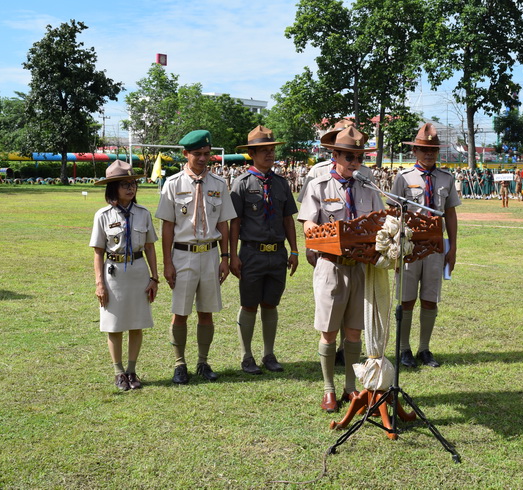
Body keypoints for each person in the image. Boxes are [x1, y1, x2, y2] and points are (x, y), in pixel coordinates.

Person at [298, 126, 384, 413]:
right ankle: (328, 390)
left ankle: (350, 388)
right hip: (331, 266)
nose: (355, 163)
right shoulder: (318, 185)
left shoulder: (368, 186)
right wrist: (324, 236)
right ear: (334, 155)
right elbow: (308, 224)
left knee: (354, 331)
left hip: (360, 267)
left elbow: (380, 221)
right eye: (349, 156)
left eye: (359, 157)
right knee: (328, 331)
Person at [155, 130, 236, 385]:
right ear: (185, 154)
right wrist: (167, 263)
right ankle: (179, 364)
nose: (203, 158)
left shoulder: (219, 184)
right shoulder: (173, 184)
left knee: (206, 312)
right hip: (183, 255)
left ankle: (203, 362)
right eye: (197, 153)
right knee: (180, 312)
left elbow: (223, 223)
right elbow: (167, 226)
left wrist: (225, 257)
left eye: (206, 153)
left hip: (210, 254)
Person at [230, 126, 299, 374]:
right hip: (252, 253)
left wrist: (294, 251)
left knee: (270, 304)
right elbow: (234, 222)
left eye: (272, 150)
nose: (270, 154)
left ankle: (269, 354)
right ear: (251, 154)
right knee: (249, 304)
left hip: (277, 254)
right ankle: (246, 356)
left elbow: (288, 219)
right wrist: (233, 255)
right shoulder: (241, 184)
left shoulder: (281, 183)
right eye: (264, 150)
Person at [390, 123, 460, 369]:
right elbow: (392, 213)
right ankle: (404, 349)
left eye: (433, 150)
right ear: (415, 151)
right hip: (409, 247)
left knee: (430, 299)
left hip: (435, 247)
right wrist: (395, 247)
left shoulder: (446, 178)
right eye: (424, 150)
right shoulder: (403, 178)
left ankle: (424, 349)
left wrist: (453, 247)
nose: (429, 154)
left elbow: (450, 213)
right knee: (407, 299)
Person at [89, 160, 159, 391]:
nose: (130, 188)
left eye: (133, 183)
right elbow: (98, 252)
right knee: (114, 324)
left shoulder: (143, 213)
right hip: (114, 273)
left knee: (137, 323)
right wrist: (99, 284)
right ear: (113, 188)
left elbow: (149, 247)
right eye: (124, 184)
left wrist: (154, 278)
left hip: (138, 271)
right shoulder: (103, 215)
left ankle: (131, 369)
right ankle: (118, 372)